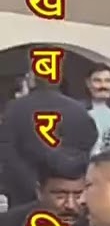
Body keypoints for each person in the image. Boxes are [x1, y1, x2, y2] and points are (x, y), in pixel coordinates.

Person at [0, 71, 97, 206]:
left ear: (32, 80)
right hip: (70, 194)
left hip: (23, 195)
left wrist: (29, 185)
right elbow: (88, 146)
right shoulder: (79, 110)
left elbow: (6, 152)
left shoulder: (15, 109)